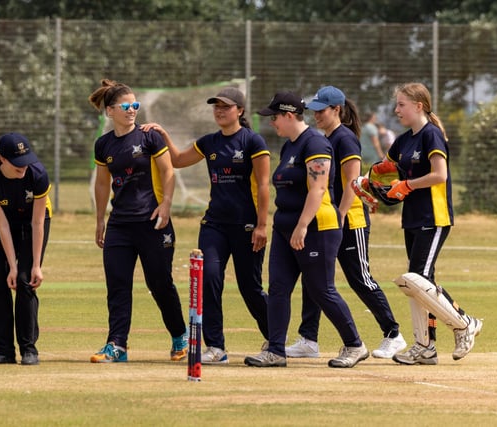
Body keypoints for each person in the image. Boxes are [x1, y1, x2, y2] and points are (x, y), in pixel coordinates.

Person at [141, 87, 270, 364]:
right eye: (216, 106)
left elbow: (262, 185)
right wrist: (163, 135)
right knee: (209, 279)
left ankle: (276, 339)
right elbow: (177, 160)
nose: (220, 111)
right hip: (214, 225)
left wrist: (261, 225)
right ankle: (216, 347)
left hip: (246, 225)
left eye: (225, 106)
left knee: (251, 287)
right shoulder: (209, 142)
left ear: (240, 111)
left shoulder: (252, 141)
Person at [244, 91, 368, 368]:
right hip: (286, 228)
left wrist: (302, 226)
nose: (272, 123)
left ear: (289, 115)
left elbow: (319, 188)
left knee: (321, 289)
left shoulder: (315, 143)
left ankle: (354, 344)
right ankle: (276, 350)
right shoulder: (290, 145)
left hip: (316, 228)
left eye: (275, 117)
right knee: (277, 288)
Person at [285, 86, 406, 360]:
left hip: (350, 220)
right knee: (314, 276)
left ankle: (393, 334)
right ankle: (308, 338)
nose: (316, 114)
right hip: (329, 220)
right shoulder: (322, 138)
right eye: (313, 110)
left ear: (336, 110)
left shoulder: (345, 139)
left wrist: (339, 217)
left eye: (321, 110)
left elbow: (352, 182)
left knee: (359, 278)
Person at [365, 82, 482, 365]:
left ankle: (465, 323)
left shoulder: (432, 135)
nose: (396, 110)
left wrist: (406, 185)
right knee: (418, 283)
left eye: (401, 105)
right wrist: (366, 185)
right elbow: (383, 170)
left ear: (419, 106)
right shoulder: (404, 140)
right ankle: (425, 348)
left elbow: (439, 175)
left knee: (418, 278)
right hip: (413, 219)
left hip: (435, 217)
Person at [88, 79, 188, 363]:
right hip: (120, 224)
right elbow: (102, 184)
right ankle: (117, 345)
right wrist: (99, 220)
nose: (132, 110)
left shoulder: (149, 137)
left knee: (159, 283)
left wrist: (166, 206)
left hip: (153, 222)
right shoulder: (103, 144)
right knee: (118, 285)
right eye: (126, 106)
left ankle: (179, 335)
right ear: (110, 111)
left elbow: (168, 172)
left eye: (135, 105)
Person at [0, 133, 52, 366]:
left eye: (26, 161)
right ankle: (2, 351)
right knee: (0, 281)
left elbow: (38, 223)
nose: (23, 167)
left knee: (25, 279)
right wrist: (11, 264)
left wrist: (36, 266)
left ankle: (29, 349)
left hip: (34, 224)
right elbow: (1, 224)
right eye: (17, 163)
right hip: (6, 225)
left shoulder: (37, 174)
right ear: (3, 159)